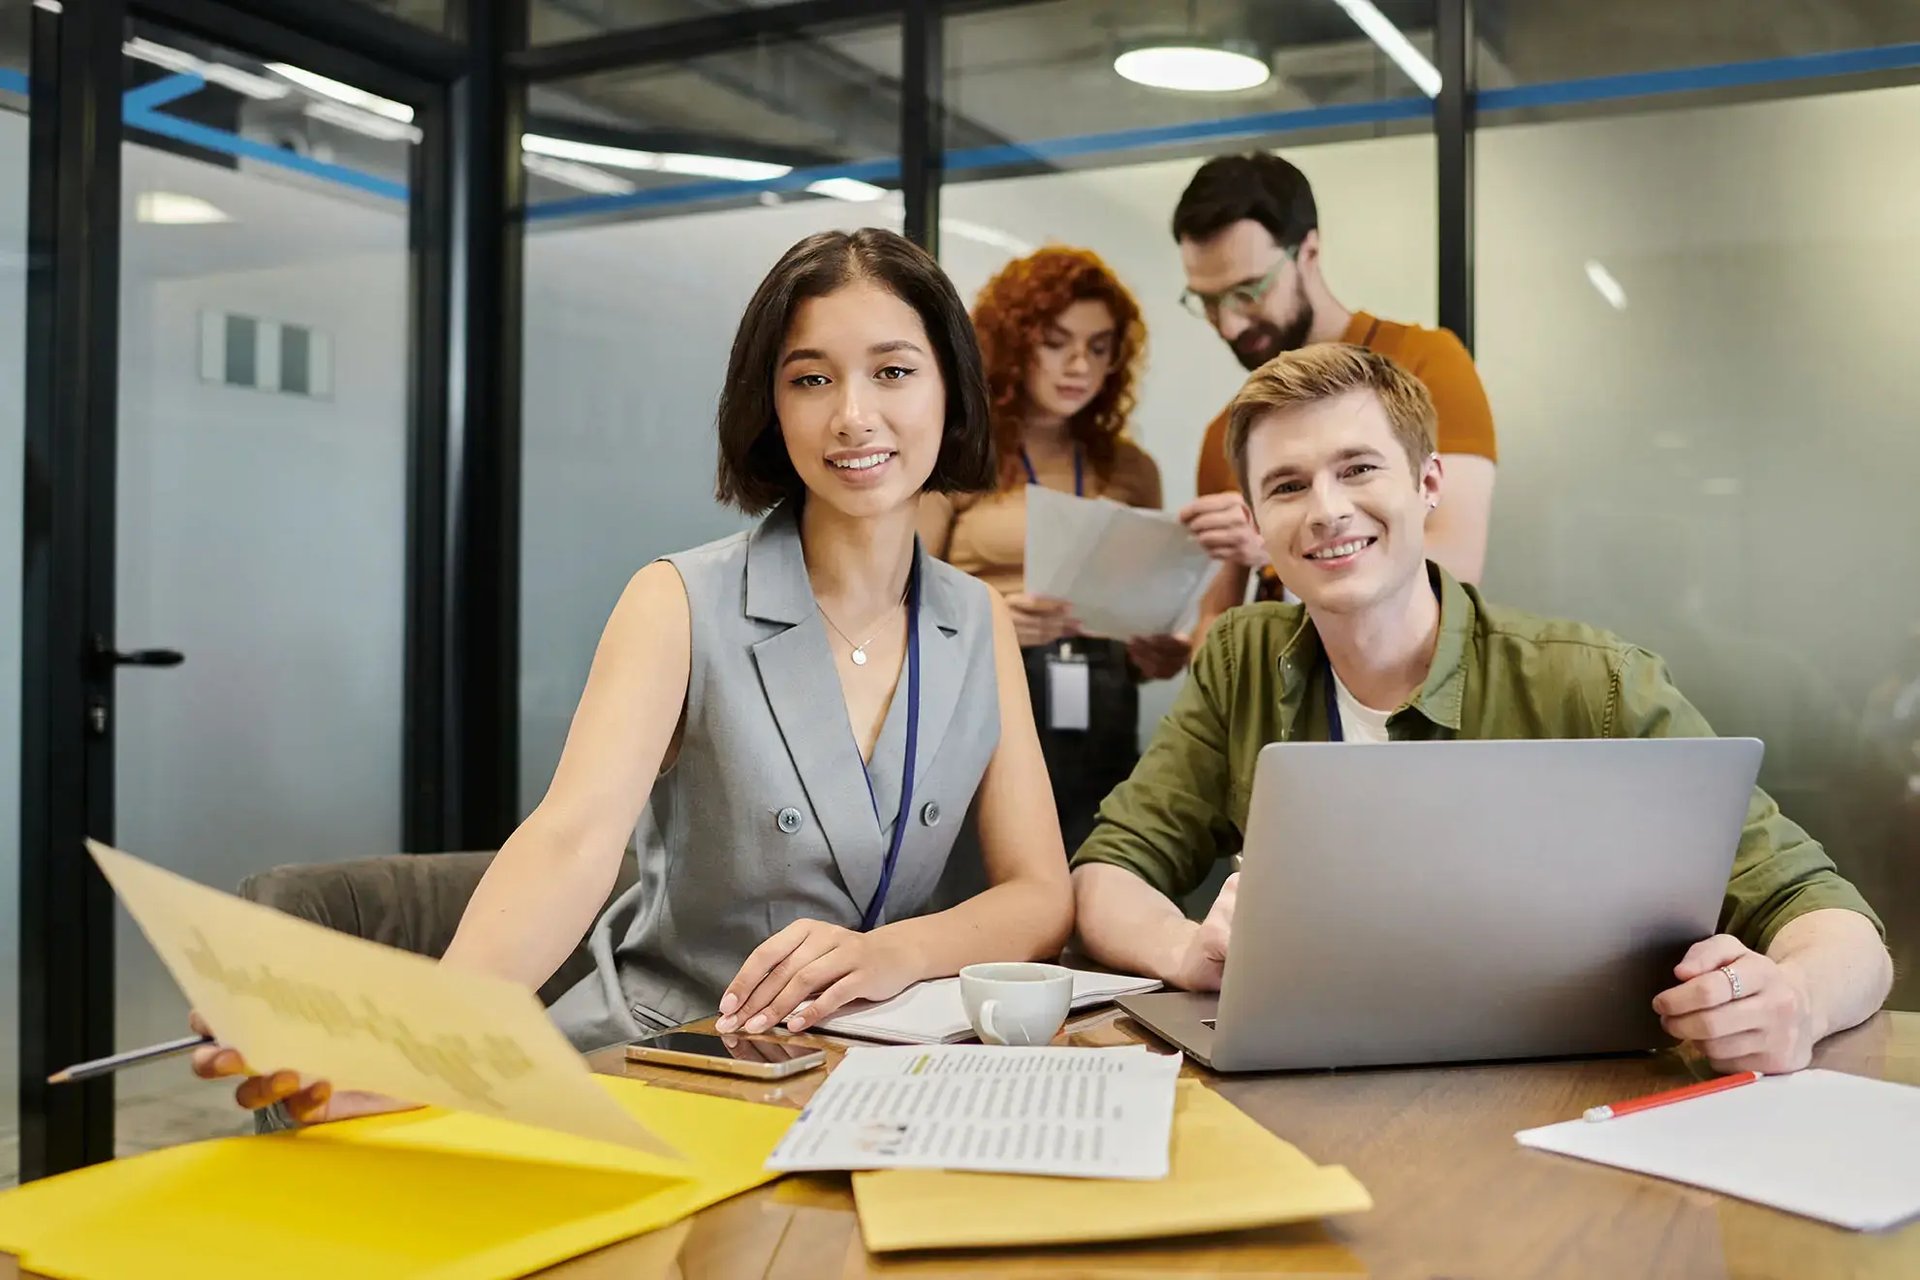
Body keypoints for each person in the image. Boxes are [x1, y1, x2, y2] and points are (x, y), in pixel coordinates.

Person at [193, 228, 1075, 1123]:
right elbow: (570, 842)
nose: (852, 414)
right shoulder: (678, 599)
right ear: (770, 405)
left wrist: (896, 954)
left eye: (893, 371)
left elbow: (1040, 891)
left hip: (873, 1063)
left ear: (951, 389)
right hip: (670, 1054)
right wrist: (427, 1034)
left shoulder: (977, 622)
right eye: (811, 378)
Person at [1070, 345, 1890, 1075]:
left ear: (1429, 484)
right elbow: (1109, 870)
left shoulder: (1592, 684)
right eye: (1288, 486)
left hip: (1559, 1099)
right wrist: (1188, 948)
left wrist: (1796, 1003)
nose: (1325, 509)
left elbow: (1828, 914)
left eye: (1358, 468)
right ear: (1255, 523)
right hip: (1312, 1085)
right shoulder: (1241, 657)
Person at [1170, 151, 1499, 645]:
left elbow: (1457, 568)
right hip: (1277, 708)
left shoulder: (1428, 364)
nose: (1230, 323)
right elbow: (1215, 632)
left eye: (1248, 291)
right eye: (1208, 301)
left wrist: (1273, 547)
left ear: (1308, 250)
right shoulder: (1229, 431)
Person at [920, 247, 1186, 850]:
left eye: (1099, 347)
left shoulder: (1130, 468)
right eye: (1056, 341)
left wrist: (1161, 651)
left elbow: (1146, 611)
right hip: (983, 713)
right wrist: (990, 619)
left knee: (1097, 881)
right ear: (1015, 343)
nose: (1079, 365)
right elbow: (898, 605)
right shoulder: (958, 453)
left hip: (1102, 716)